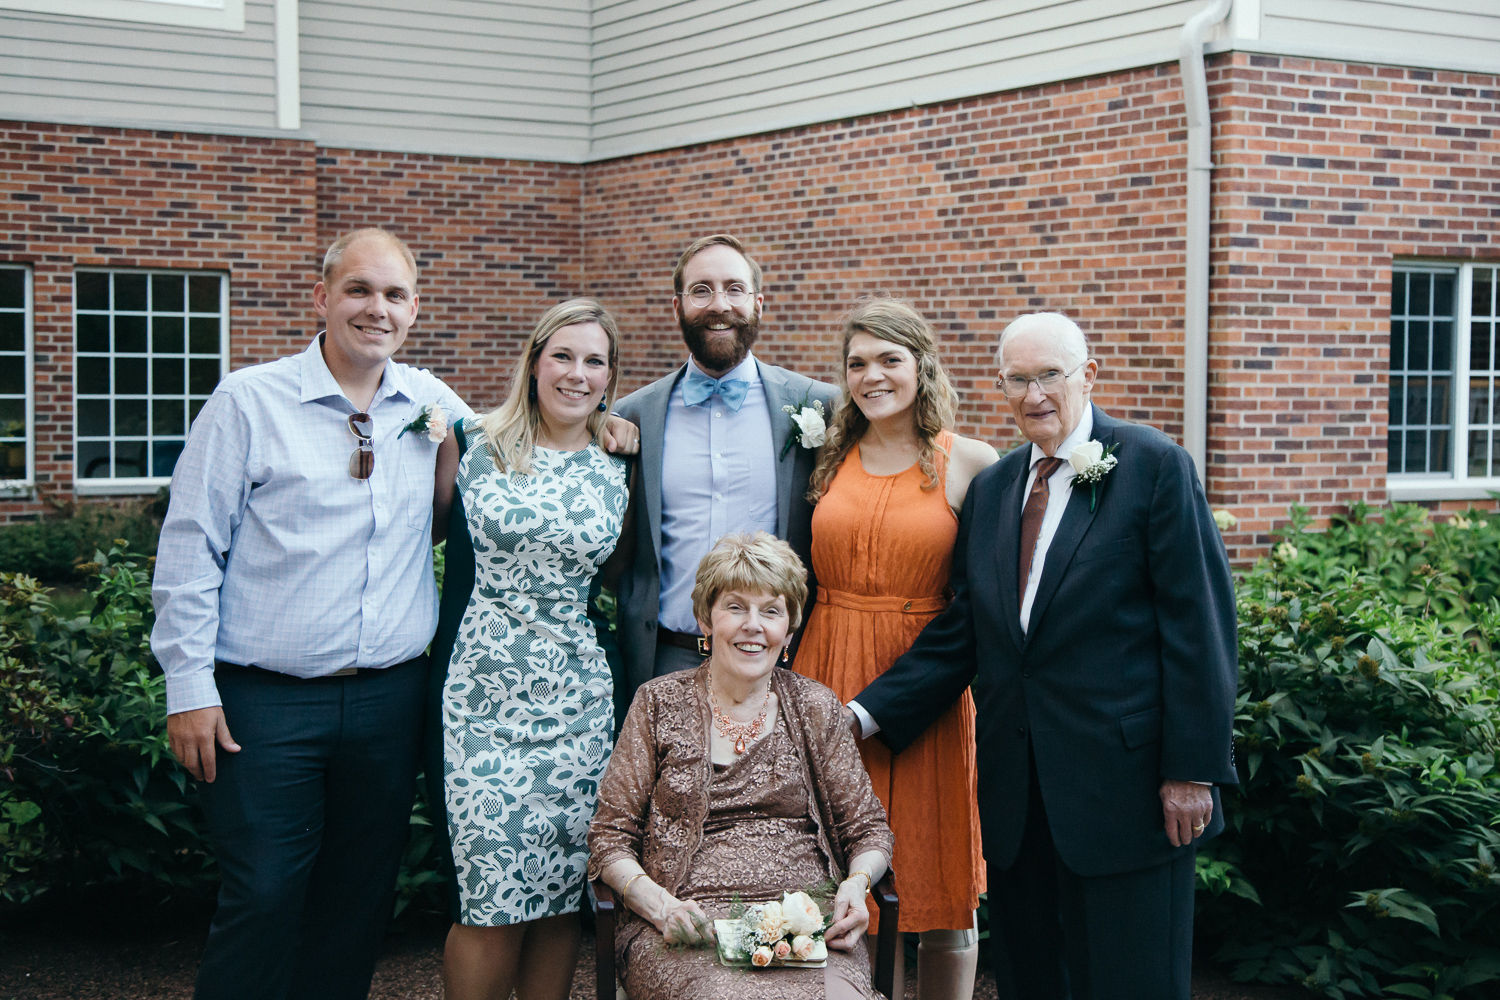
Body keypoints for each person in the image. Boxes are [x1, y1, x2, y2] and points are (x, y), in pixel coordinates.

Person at [849, 312, 1239, 1000]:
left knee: (1132, 984)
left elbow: (1199, 627)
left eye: (1049, 376)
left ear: (1088, 375)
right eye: (1018, 380)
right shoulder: (996, 489)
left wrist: (1193, 769)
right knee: (1033, 983)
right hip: (1018, 802)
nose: (1034, 395)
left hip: (1131, 796)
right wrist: (860, 716)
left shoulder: (1153, 467)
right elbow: (963, 631)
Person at [152, 227, 471, 1000]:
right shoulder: (248, 401)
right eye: (359, 290)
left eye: (394, 294)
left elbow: (527, 451)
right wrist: (188, 686)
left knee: (357, 903)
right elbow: (191, 548)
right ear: (322, 297)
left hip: (389, 700)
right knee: (261, 894)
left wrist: (611, 430)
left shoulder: (431, 404)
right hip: (263, 703)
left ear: (414, 310)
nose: (376, 308)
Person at [423, 298, 634, 1000]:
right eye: (563, 356)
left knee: (559, 896)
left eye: (594, 360)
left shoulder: (621, 460)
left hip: (579, 702)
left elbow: (624, 571)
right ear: (535, 360)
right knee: (488, 899)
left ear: (610, 375)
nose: (577, 373)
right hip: (480, 697)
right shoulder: (472, 440)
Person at [589, 532, 894, 1000]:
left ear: (789, 630)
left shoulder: (815, 706)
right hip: (687, 929)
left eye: (770, 611)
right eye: (735, 607)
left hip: (806, 929)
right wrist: (659, 906)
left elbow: (868, 829)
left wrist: (855, 886)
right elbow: (610, 837)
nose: (753, 625)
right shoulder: (657, 702)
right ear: (705, 620)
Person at [794, 299, 996, 1000]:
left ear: (922, 366)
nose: (872, 376)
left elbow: (978, 609)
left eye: (890, 360)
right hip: (822, 673)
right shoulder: (823, 455)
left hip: (925, 695)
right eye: (857, 363)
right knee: (822, 871)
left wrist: (877, 709)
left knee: (938, 884)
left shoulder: (971, 462)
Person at [611, 234, 839, 720]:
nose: (719, 305)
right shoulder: (632, 416)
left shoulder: (818, 404)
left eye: (734, 289)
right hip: (663, 660)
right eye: (702, 290)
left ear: (758, 302)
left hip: (780, 663)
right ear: (677, 305)